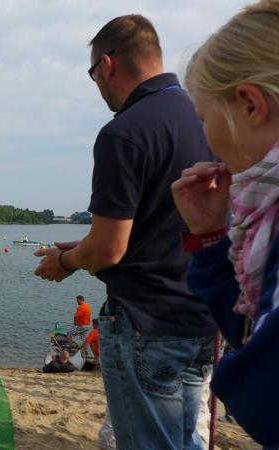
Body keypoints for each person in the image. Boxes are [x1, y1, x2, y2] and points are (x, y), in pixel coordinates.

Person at [33, 15, 216, 450]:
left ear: (107, 65)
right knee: (188, 440)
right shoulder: (205, 118)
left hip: (146, 323)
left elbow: (109, 250)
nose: (96, 85)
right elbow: (160, 228)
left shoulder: (124, 132)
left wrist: (67, 261)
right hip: (204, 318)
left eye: (92, 73)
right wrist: (88, 244)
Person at [171, 1, 279, 445]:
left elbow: (264, 397)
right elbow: (252, 333)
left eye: (203, 118)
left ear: (250, 105)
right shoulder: (266, 220)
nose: (206, 138)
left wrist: (230, 376)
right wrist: (211, 240)